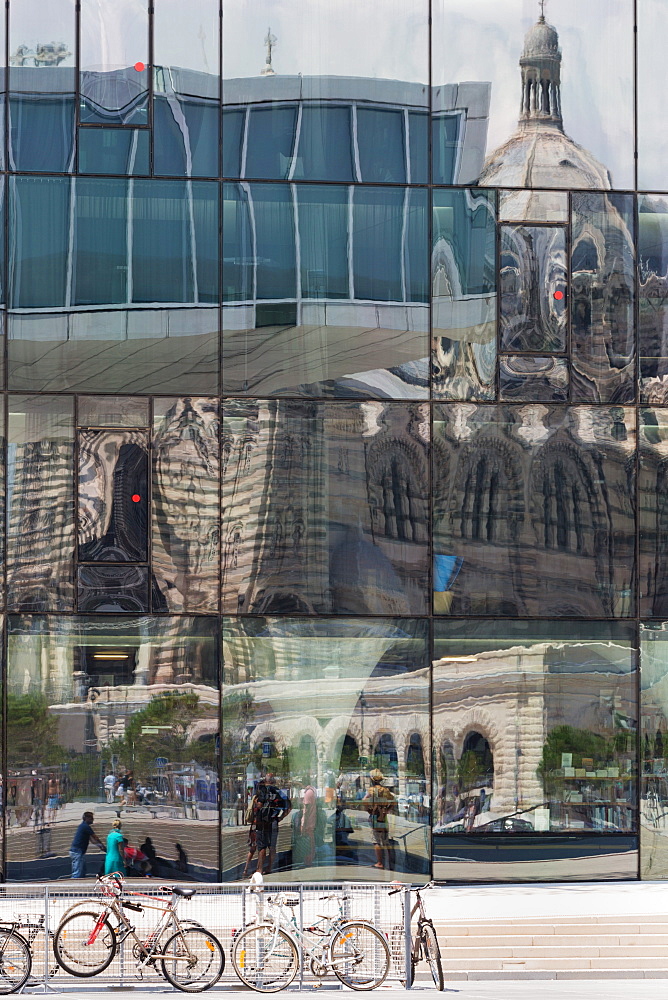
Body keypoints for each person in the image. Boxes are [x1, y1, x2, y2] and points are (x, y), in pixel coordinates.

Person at [253, 774, 291, 876]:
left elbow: (260, 805)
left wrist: (255, 801)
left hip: (262, 822)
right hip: (273, 821)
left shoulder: (263, 791)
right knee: (272, 846)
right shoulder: (278, 792)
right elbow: (289, 806)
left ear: (265, 781)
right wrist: (281, 818)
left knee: (262, 846)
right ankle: (269, 868)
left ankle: (260, 869)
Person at [363, 769, 396, 870]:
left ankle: (380, 862)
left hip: (375, 816)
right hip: (383, 816)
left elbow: (364, 800)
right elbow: (394, 801)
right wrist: (387, 810)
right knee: (385, 839)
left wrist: (369, 810)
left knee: (376, 840)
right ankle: (390, 861)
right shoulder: (385, 790)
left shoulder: (371, 790)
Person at [69, 811, 105, 879]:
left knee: (82, 870)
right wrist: (102, 846)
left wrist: (100, 846)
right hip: (77, 851)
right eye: (91, 818)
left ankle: (79, 884)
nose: (93, 820)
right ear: (86, 818)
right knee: (77, 873)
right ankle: (73, 886)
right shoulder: (85, 826)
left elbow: (92, 840)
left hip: (77, 851)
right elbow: (95, 837)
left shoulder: (83, 826)